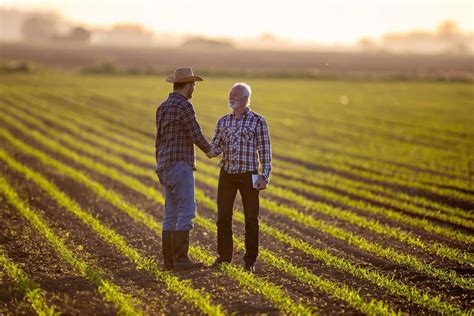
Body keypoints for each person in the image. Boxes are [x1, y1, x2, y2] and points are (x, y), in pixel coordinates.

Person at [208, 82, 272, 273]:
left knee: (251, 219)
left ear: (245, 99)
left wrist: (264, 176)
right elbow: (216, 148)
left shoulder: (258, 121)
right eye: (230, 93)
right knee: (223, 218)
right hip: (227, 174)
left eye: (235, 94)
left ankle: (250, 261)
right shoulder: (223, 121)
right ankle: (224, 257)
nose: (231, 97)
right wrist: (204, 146)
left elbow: (265, 151)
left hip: (249, 175)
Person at [155, 67, 212, 271]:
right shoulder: (184, 106)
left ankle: (169, 261)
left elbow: (159, 138)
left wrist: (159, 164)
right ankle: (181, 259)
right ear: (187, 85)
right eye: (193, 85)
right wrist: (211, 150)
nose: (194, 88)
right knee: (187, 210)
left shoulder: (162, 107)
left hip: (164, 165)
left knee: (170, 213)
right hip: (180, 165)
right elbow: (194, 134)